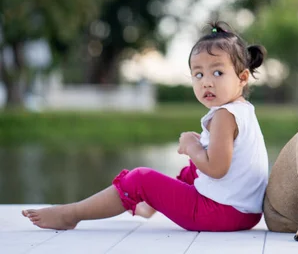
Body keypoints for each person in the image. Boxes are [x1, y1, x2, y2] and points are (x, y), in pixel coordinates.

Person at [22, 21, 269, 232]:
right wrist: (198, 150)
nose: (206, 83)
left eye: (217, 73)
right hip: (245, 212)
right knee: (194, 170)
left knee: (141, 179)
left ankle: (71, 214)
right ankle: (151, 204)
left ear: (243, 77)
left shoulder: (224, 116)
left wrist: (192, 147)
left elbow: (217, 168)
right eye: (198, 74)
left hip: (221, 213)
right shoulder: (243, 110)